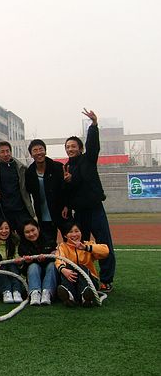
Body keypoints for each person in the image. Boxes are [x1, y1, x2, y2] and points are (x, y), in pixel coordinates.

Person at [64, 109, 116, 292]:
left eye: (73, 146)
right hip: (79, 213)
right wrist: (67, 200)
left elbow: (93, 145)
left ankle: (106, 280)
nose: (70, 149)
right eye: (67, 147)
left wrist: (93, 125)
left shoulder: (88, 159)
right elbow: (69, 191)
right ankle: (84, 278)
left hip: (95, 209)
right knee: (79, 246)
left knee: (104, 244)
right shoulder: (66, 167)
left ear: (80, 148)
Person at [55, 221, 109, 307]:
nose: (74, 234)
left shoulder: (88, 244)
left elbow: (105, 251)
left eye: (77, 231)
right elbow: (59, 259)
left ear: (81, 232)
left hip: (90, 280)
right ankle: (70, 296)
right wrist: (63, 269)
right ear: (65, 235)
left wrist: (86, 247)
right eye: (70, 232)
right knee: (68, 267)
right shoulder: (62, 247)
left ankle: (85, 295)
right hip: (73, 281)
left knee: (80, 266)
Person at [25, 139, 66, 248]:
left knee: (69, 241)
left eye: (41, 149)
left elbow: (66, 189)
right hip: (43, 214)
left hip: (61, 212)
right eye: (35, 150)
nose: (38, 152)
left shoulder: (58, 167)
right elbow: (28, 190)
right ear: (31, 154)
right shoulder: (29, 172)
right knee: (49, 245)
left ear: (45, 151)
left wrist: (67, 206)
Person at [0, 141, 35, 236]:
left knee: (26, 235)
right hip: (3, 211)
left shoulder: (21, 168)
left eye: (8, 151)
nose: (6, 154)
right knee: (6, 237)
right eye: (2, 152)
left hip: (21, 210)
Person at [17, 219, 57, 306]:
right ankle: (35, 293)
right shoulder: (22, 246)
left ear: (38, 229)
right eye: (27, 232)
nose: (31, 234)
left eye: (33, 230)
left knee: (52, 265)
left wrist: (47, 257)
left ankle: (47, 293)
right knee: (33, 266)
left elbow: (56, 259)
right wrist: (26, 262)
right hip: (33, 276)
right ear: (23, 234)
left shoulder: (49, 240)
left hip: (49, 274)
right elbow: (23, 271)